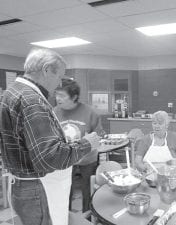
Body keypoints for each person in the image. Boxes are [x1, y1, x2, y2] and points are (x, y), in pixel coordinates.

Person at [0, 48, 101, 225]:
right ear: (46, 69)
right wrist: (86, 144)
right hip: (38, 189)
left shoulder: (12, 92)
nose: (59, 83)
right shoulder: (32, 101)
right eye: (59, 76)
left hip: (21, 185)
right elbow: (50, 158)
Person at [54, 78, 105, 213]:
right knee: (64, 190)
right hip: (64, 160)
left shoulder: (90, 112)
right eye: (56, 94)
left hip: (87, 160)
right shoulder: (53, 112)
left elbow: (98, 135)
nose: (58, 98)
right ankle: (65, 217)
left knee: (87, 190)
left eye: (62, 95)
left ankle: (87, 217)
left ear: (74, 97)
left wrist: (89, 142)